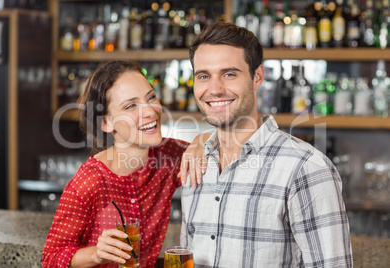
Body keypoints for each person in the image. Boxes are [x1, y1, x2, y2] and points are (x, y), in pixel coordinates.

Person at [180, 22, 353, 267]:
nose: (215, 89)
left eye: (229, 74)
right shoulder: (194, 163)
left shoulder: (306, 167)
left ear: (257, 77)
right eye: (204, 76)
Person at [42, 60, 202, 268]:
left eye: (151, 97)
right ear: (106, 123)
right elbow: (51, 257)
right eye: (130, 106)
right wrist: (96, 254)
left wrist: (202, 140)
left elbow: (217, 152)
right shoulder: (89, 181)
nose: (150, 112)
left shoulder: (168, 155)